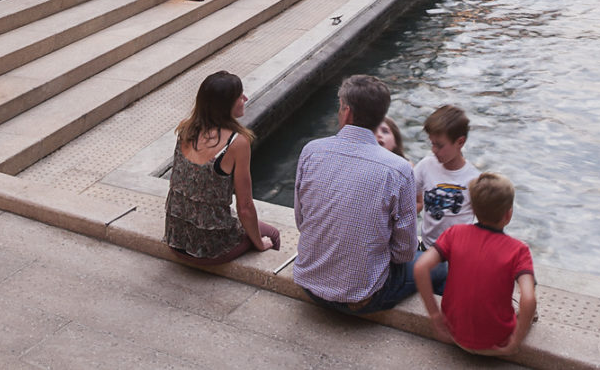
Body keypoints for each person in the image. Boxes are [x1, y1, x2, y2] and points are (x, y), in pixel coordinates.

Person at [293, 74, 419, 314]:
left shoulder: (311, 152)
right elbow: (404, 252)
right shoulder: (399, 170)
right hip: (364, 297)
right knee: (439, 267)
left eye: (340, 108)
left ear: (347, 112)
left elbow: (302, 222)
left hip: (309, 285)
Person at [414, 172, 537, 357]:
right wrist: (515, 342)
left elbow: (420, 267)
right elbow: (528, 299)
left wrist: (435, 316)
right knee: (531, 310)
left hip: (454, 334)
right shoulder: (519, 250)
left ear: (472, 208)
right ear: (508, 214)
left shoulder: (454, 233)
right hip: (497, 343)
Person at [166, 71, 282, 265]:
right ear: (225, 104)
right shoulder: (236, 143)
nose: (245, 98)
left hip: (176, 239)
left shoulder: (185, 128)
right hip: (210, 249)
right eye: (239, 96)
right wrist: (260, 244)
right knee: (272, 234)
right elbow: (245, 207)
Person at [415, 105, 479, 247]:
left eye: (440, 145)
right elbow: (409, 196)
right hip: (428, 247)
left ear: (460, 142)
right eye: (432, 144)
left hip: (457, 253)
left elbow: (484, 223)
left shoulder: (473, 179)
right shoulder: (425, 166)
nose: (434, 150)